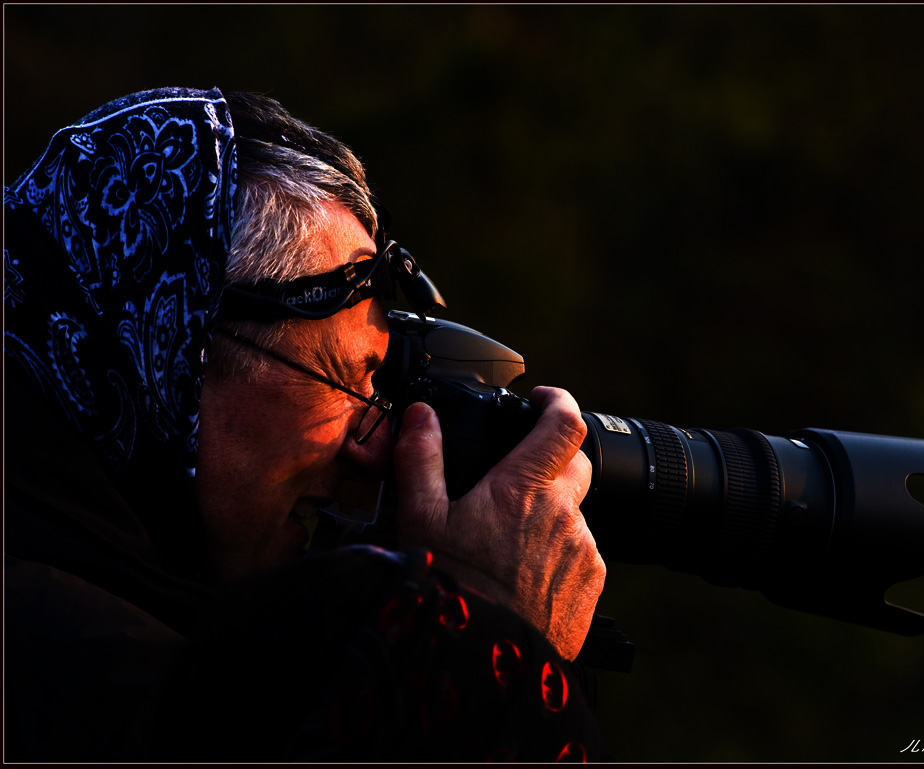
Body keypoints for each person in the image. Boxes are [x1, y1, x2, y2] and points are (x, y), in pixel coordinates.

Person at [4, 87, 609, 761]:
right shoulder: (63, 673)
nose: (378, 446)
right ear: (173, 347)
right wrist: (486, 636)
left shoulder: (113, 596)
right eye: (349, 379)